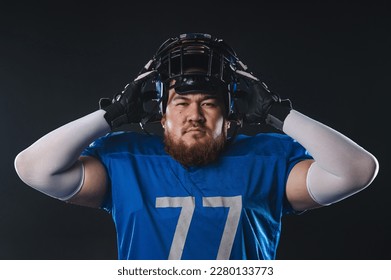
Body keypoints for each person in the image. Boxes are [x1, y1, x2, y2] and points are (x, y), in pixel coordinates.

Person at [14, 33, 379, 260]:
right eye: (181, 103)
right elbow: (33, 168)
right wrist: (112, 114)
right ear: (160, 114)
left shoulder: (269, 159)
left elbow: (357, 171)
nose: (195, 115)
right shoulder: (125, 161)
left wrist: (278, 114)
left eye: (208, 103)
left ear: (232, 113)